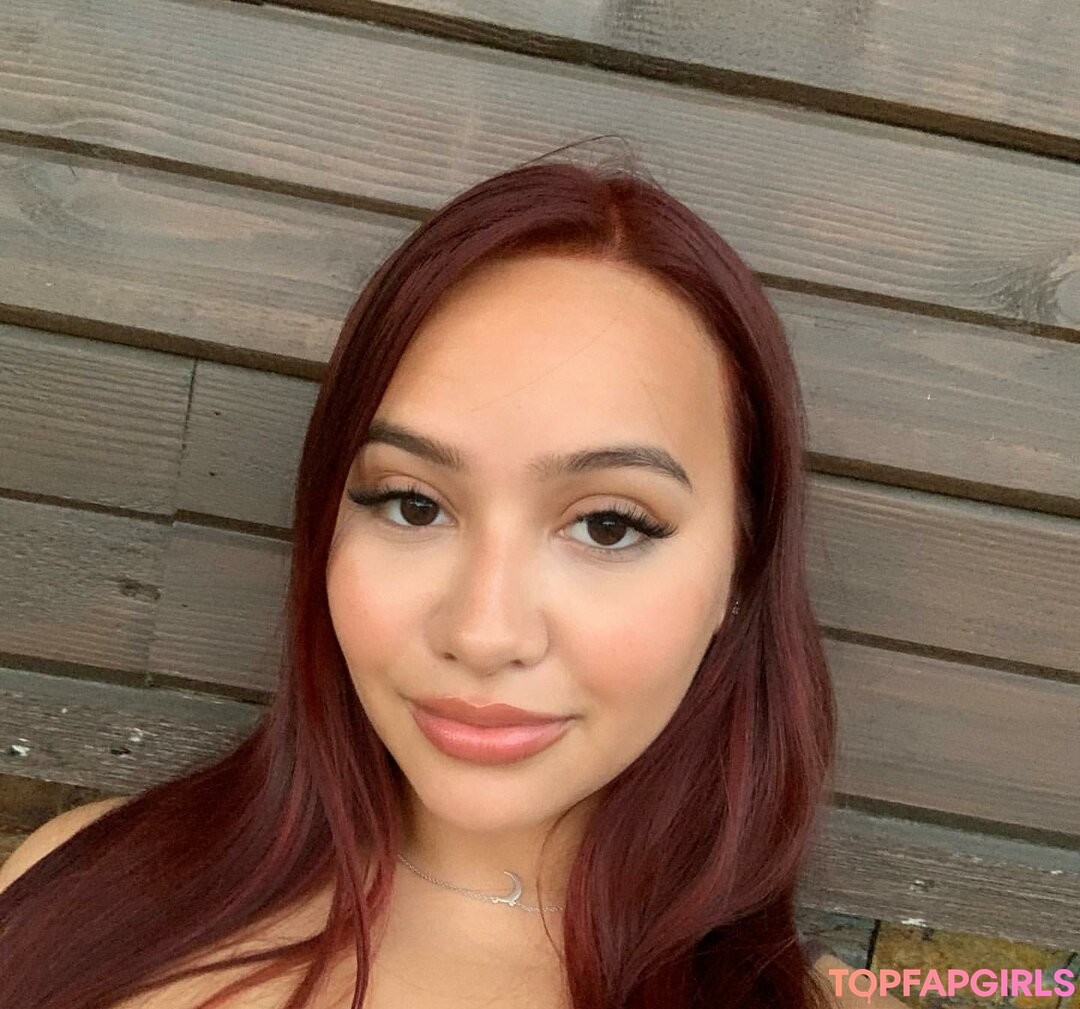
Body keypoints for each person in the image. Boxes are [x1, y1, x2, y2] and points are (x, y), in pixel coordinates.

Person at [0, 147, 909, 1009]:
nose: (482, 632)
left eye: (608, 524)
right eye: (412, 504)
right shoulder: (74, 886)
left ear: (741, 568)